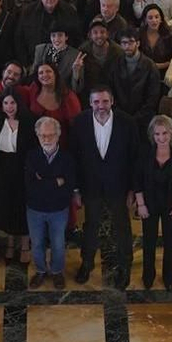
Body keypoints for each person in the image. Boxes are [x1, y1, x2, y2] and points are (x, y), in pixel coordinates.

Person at [70, 86, 138, 288]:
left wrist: (133, 190)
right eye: (96, 102)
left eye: (105, 101)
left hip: (119, 187)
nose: (101, 106)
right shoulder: (80, 122)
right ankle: (87, 263)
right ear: (90, 103)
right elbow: (74, 157)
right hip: (90, 187)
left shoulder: (127, 122)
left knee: (122, 227)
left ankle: (125, 266)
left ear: (112, 102)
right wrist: (75, 189)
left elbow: (134, 158)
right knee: (90, 226)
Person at [134, 115, 172, 290]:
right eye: (157, 134)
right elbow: (137, 180)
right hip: (149, 204)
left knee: (170, 241)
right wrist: (140, 204)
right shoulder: (145, 150)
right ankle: (148, 275)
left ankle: (169, 275)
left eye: (165, 133)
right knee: (149, 242)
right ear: (152, 134)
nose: (161, 137)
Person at [25, 116, 77, 288]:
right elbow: (30, 185)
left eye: (51, 135)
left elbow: (69, 186)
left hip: (58, 209)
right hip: (35, 209)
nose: (46, 139)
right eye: (42, 135)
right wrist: (55, 182)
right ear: (37, 135)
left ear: (58, 135)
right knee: (37, 243)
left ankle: (56, 272)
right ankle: (40, 271)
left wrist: (43, 181)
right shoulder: (31, 156)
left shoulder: (67, 158)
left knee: (58, 244)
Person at [0, 90, 36, 262]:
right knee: (7, 208)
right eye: (5, 103)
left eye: (12, 103)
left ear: (19, 104)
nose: (9, 107)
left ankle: (25, 245)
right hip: (3, 171)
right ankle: (10, 243)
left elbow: (32, 149)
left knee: (23, 208)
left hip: (23, 170)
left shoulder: (29, 121)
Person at [21, 60, 82, 128]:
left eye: (48, 71)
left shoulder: (68, 96)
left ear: (55, 74)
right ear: (38, 77)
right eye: (41, 73)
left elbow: (76, 124)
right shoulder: (34, 88)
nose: (45, 75)